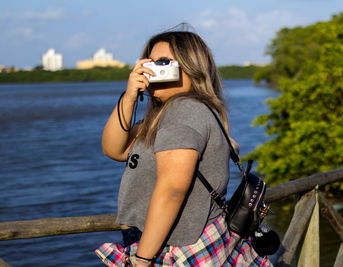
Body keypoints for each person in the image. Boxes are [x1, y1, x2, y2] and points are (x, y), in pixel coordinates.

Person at [96, 25, 271, 266]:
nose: (152, 69)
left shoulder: (185, 111)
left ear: (192, 67)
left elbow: (172, 190)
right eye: (149, 62)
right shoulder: (170, 115)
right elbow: (114, 149)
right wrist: (129, 96)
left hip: (171, 246)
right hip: (165, 239)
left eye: (164, 62)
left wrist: (143, 259)